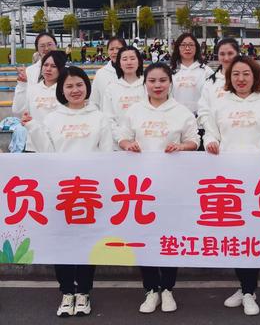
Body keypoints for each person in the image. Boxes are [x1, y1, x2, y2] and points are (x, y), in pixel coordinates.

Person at [22, 66, 113, 317]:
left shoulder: (99, 117)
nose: (75, 90)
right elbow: (47, 154)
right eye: (69, 86)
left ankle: (83, 292)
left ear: (87, 87)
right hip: (61, 192)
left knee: (86, 242)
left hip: (89, 192)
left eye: (79, 85)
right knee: (62, 242)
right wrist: (33, 128)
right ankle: (66, 292)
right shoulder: (52, 118)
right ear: (62, 90)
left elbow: (107, 155)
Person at [205, 56, 260, 316]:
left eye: (246, 74)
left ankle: (250, 290)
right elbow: (211, 132)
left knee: (253, 235)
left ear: (255, 77)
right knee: (237, 236)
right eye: (236, 74)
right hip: (229, 181)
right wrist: (211, 143)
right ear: (229, 78)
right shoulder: (220, 103)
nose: (241, 79)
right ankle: (244, 287)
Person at [117, 62, 199, 314]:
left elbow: (194, 141)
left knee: (168, 238)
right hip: (141, 188)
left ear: (170, 83)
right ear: (145, 84)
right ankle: (151, 289)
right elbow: (120, 136)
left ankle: (168, 289)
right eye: (152, 81)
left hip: (171, 186)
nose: (157, 85)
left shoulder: (181, 111)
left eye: (162, 80)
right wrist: (127, 143)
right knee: (145, 239)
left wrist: (181, 147)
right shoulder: (134, 111)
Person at [13, 51, 67, 151]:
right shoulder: (33, 89)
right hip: (34, 146)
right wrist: (22, 85)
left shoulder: (66, 90)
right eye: (45, 65)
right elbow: (18, 111)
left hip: (59, 145)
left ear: (60, 69)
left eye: (53, 66)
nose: (48, 69)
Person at [102, 46, 145, 148]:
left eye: (133, 58)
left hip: (145, 143)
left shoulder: (147, 85)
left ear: (139, 62)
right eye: (124, 59)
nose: (129, 62)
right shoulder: (111, 88)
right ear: (119, 64)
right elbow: (108, 118)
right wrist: (122, 140)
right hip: (119, 146)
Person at [197, 38, 240, 133]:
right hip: (215, 137)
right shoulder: (210, 83)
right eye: (222, 54)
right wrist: (213, 133)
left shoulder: (247, 80)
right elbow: (203, 111)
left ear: (237, 54)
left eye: (230, 53)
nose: (226, 58)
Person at [13, 32, 58, 114]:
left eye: (50, 44)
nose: (46, 48)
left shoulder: (69, 72)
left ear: (56, 45)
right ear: (37, 49)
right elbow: (18, 110)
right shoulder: (29, 72)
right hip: (36, 122)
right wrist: (22, 84)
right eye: (42, 46)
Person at [170, 33, 213, 116]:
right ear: (178, 48)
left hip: (200, 121)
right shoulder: (171, 71)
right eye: (183, 45)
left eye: (191, 45)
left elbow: (211, 98)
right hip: (176, 119)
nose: (187, 48)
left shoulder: (206, 71)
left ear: (196, 48)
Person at [90, 37, 127, 110]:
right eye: (111, 49)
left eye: (118, 48)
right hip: (106, 119)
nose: (115, 52)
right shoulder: (101, 74)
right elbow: (94, 101)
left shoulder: (134, 72)